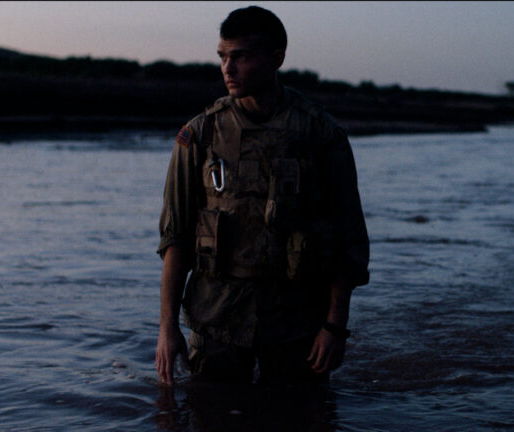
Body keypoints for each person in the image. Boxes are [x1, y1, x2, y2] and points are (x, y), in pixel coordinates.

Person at [154, 6, 369, 386]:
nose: (228, 68)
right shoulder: (200, 134)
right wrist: (167, 329)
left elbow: (347, 237)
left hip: (297, 321)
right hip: (216, 317)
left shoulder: (320, 133)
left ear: (276, 58)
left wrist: (335, 326)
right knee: (210, 412)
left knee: (301, 412)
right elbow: (176, 237)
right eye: (222, 56)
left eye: (241, 56)